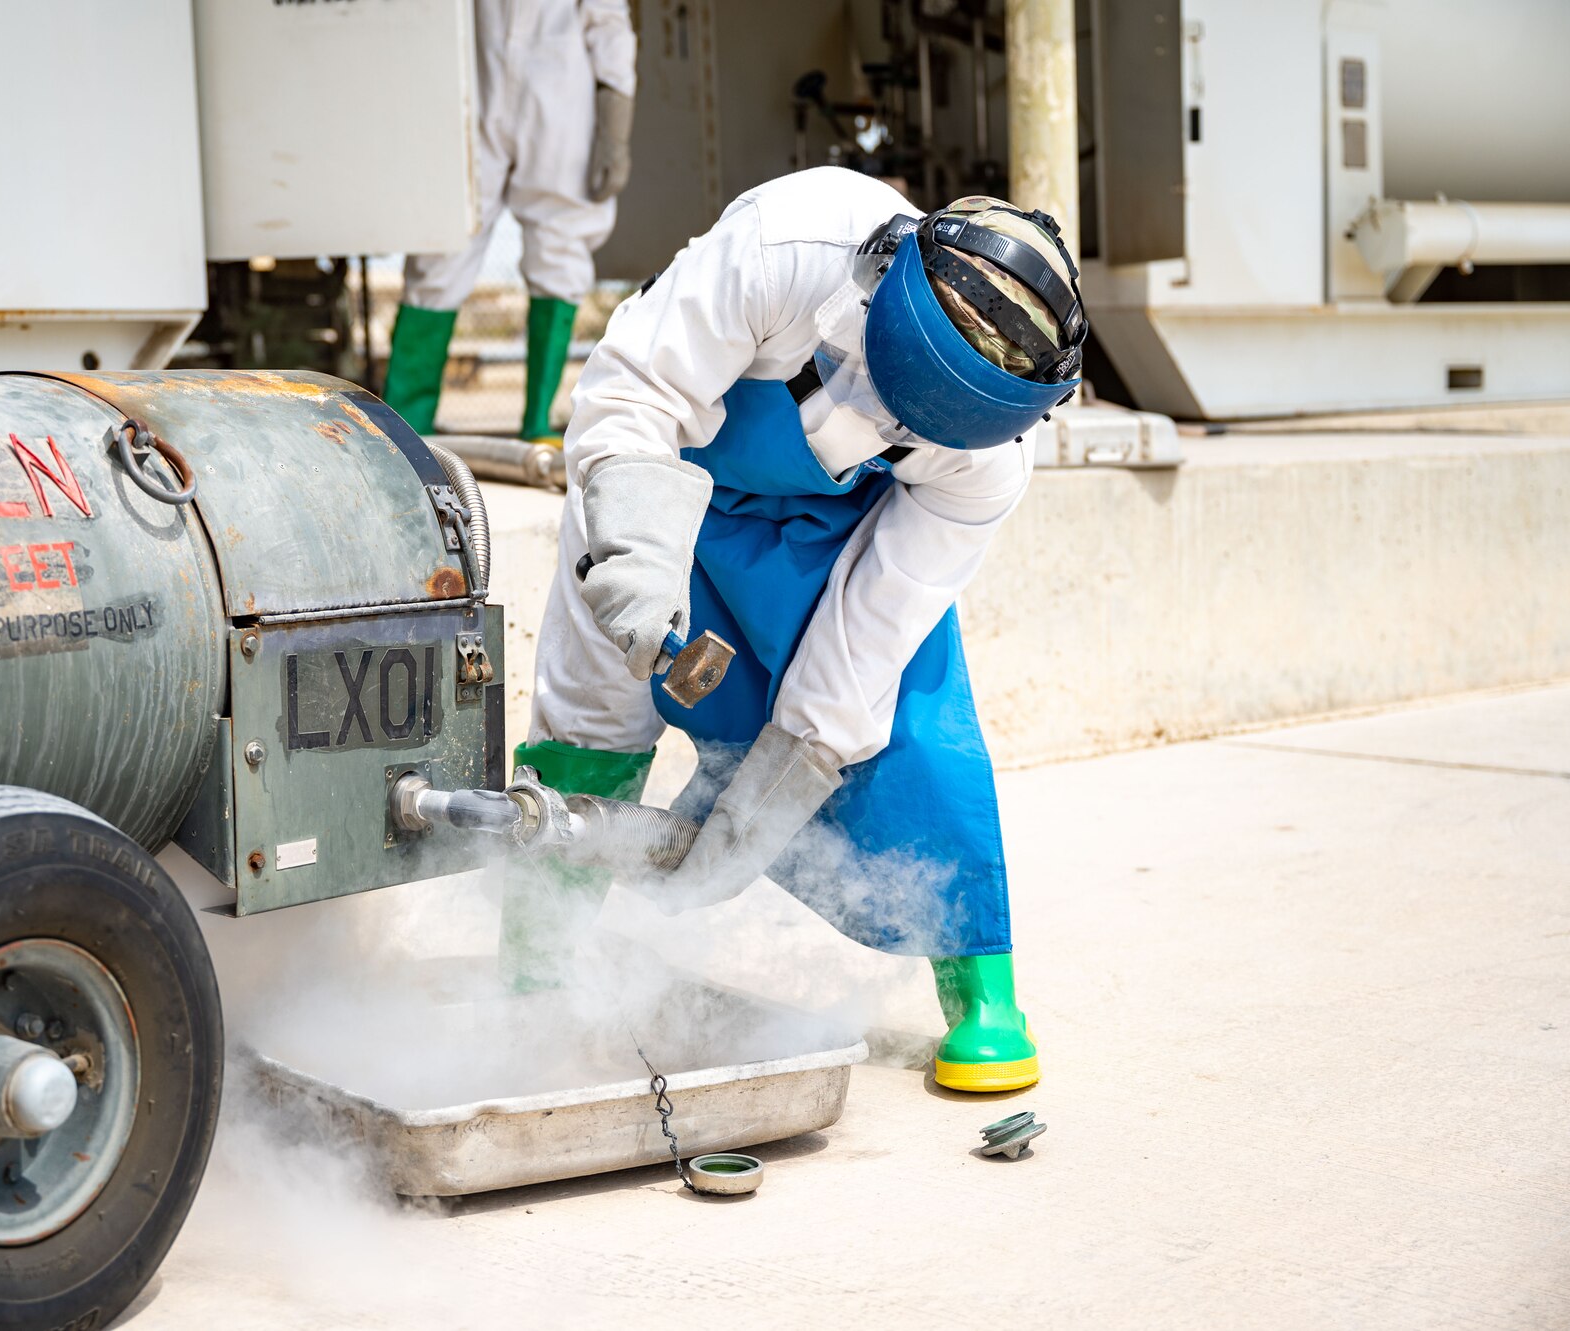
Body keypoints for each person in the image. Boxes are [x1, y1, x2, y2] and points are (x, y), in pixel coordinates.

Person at [511, 166, 1086, 1093]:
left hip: (836, 536)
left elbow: (879, 616)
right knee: (589, 712)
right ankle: (531, 967)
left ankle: (985, 995)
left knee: (911, 732)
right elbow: (632, 394)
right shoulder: (789, 243)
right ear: (881, 278)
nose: (877, 412)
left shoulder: (992, 461)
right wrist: (633, 548)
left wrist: (782, 784)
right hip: (667, 491)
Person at [383, 0, 636, 444]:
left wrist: (615, 124)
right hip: (473, 90)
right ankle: (404, 428)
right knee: (441, 245)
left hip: (559, 98)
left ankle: (537, 424)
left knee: (561, 249)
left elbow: (608, 21)